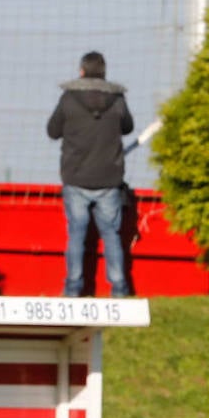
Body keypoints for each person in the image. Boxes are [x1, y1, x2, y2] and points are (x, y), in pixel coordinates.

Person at [46, 51, 133, 298]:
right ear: (104, 72)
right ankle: (119, 289)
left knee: (76, 234)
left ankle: (73, 288)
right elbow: (128, 127)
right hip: (109, 178)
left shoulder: (68, 98)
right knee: (111, 235)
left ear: (81, 71)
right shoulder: (117, 98)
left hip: (76, 177)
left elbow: (52, 131)